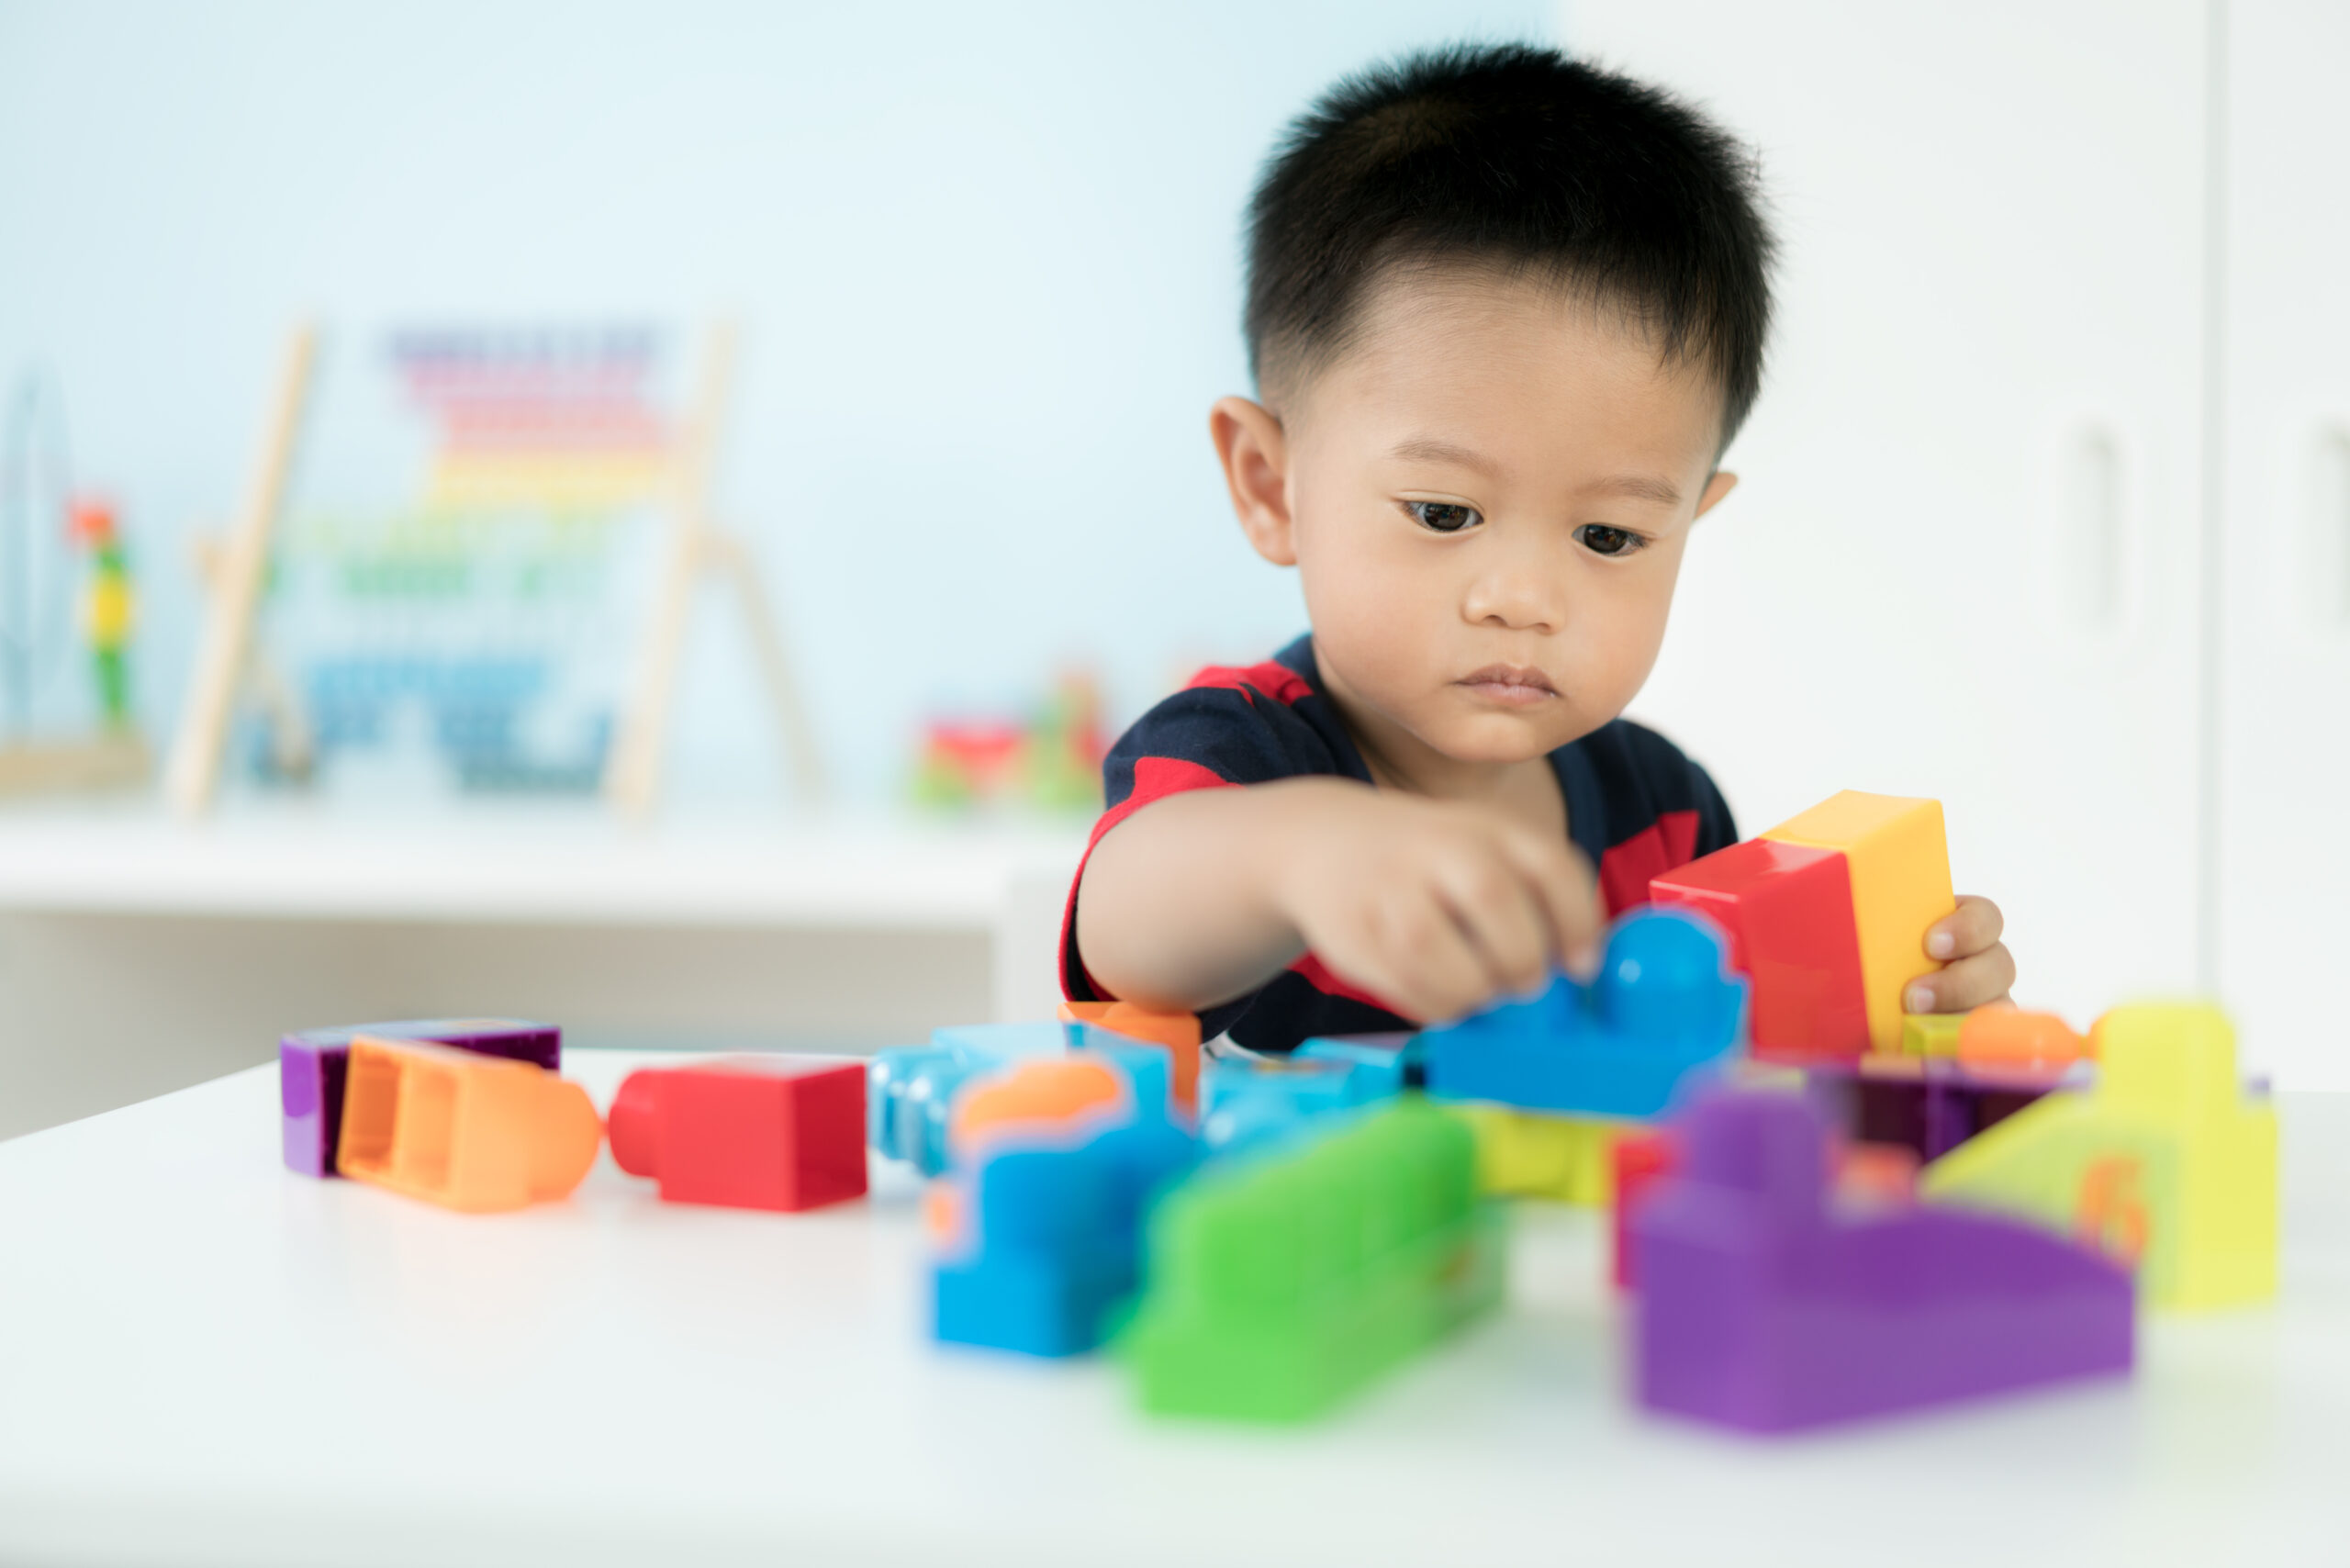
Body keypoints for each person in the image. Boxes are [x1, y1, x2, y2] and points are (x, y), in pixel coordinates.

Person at [1064, 43, 2015, 1053]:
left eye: (1607, 534)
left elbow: (1728, 1069)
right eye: (1442, 512)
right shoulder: (1237, 759)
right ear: (1270, 486)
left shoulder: (1667, 819)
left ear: (1690, 521)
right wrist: (1300, 856)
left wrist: (1894, 1011)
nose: (1523, 598)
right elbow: (1122, 930)